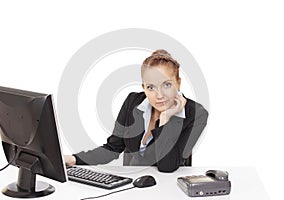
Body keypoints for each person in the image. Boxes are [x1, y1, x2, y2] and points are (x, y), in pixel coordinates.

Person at [64, 50, 208, 172]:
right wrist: (74, 159)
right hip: (133, 185)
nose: (159, 95)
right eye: (151, 87)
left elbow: (167, 167)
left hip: (168, 189)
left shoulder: (197, 114)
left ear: (178, 83)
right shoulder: (133, 102)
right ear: (144, 87)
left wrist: (166, 119)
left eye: (167, 85)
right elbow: (113, 148)